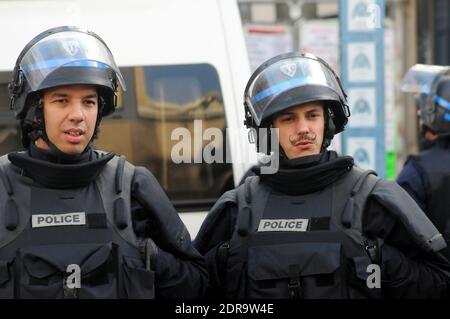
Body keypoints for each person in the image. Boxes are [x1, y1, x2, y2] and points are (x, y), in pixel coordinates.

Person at [194, 52, 450, 299]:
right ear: (269, 129)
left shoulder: (373, 200)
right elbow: (190, 287)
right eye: (288, 118)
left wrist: (380, 257)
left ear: (327, 122)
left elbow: (438, 281)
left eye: (312, 115)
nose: (303, 128)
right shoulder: (237, 208)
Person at [0, 26, 207, 299]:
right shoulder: (2, 186)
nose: (78, 115)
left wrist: (150, 259)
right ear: (35, 111)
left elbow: (199, 285)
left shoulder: (133, 185)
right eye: (62, 101)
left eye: (88, 102)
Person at [397, 64, 450, 260]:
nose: (419, 117)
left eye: (422, 113)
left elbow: (400, 237)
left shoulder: (417, 171)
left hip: (436, 281)